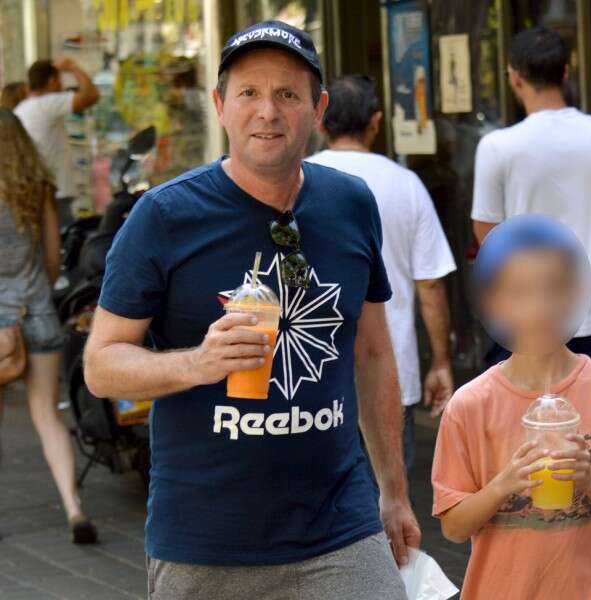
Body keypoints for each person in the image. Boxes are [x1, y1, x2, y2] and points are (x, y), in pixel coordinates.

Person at [83, 21, 419, 600]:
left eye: (287, 94)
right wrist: (198, 363)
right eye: (248, 93)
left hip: (340, 526)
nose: (268, 111)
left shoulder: (350, 203)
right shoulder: (164, 216)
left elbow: (371, 351)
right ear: (220, 106)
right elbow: (101, 365)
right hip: (207, 542)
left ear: (318, 109)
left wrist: (393, 490)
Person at [432, 214, 591, 600]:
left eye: (555, 288)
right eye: (520, 292)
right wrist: (505, 483)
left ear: (575, 292)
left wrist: (590, 480)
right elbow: (454, 528)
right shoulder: (469, 405)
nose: (540, 307)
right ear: (494, 301)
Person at [307, 74, 457, 472]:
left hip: (314, 375)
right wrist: (441, 362)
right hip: (392, 372)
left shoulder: (297, 180)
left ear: (319, 120)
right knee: (390, 496)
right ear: (376, 121)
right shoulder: (407, 185)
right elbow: (430, 284)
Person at [471, 27, 591, 365]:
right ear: (565, 72)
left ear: (514, 76)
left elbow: (487, 236)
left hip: (528, 316)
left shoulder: (497, 147)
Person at [0, 108, 97, 544]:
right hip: (37, 311)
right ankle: (74, 509)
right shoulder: (37, 187)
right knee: (47, 413)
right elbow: (53, 257)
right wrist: (36, 290)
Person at [14, 58, 99, 227]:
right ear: (52, 80)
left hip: (42, 190)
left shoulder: (22, 109)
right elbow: (91, 95)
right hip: (56, 193)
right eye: (60, 79)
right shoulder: (47, 104)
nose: (62, 85)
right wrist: (71, 66)